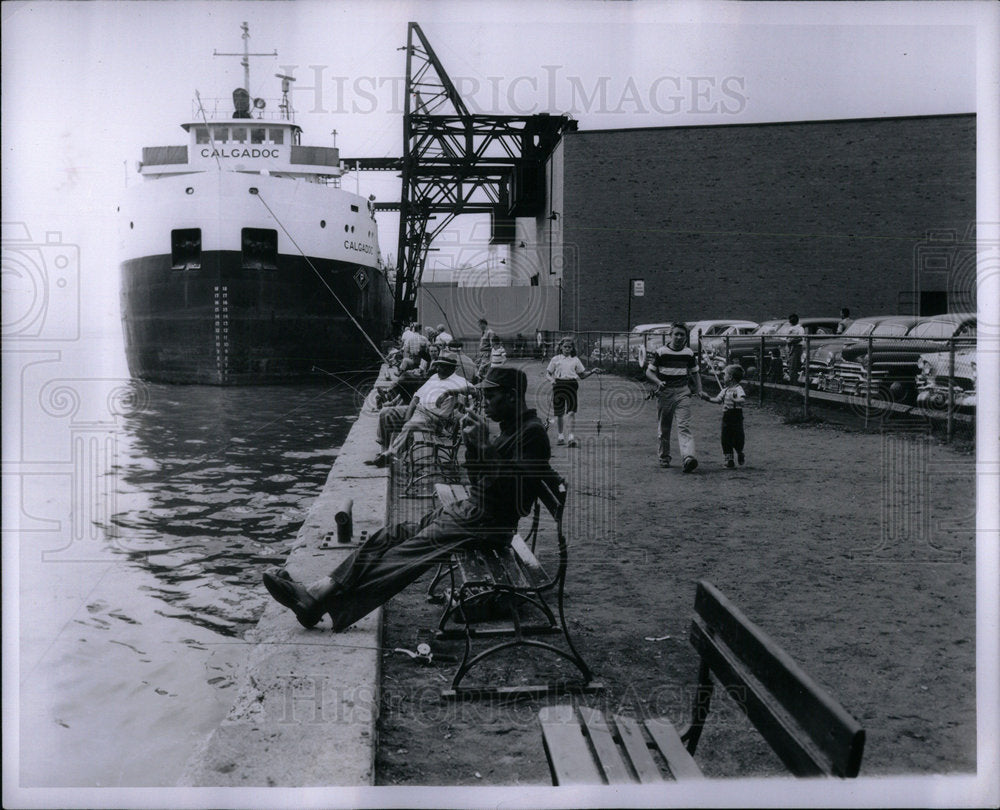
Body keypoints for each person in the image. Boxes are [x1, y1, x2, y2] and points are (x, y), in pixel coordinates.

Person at [262, 366, 556, 632]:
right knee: (389, 536)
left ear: (513, 396)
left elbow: (515, 497)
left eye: (491, 396)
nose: (485, 403)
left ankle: (320, 602)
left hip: (489, 524)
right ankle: (320, 589)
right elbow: (484, 480)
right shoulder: (510, 428)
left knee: (405, 553)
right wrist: (473, 448)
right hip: (472, 511)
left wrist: (484, 447)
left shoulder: (532, 435)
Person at [366, 351, 476, 467]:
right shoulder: (435, 377)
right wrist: (408, 415)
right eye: (438, 365)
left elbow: (475, 391)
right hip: (418, 410)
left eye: (442, 367)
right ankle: (383, 451)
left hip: (434, 419)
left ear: (451, 368)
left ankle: (391, 455)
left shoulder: (459, 381)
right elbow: (416, 396)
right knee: (386, 413)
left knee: (410, 425)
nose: (438, 369)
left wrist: (450, 391)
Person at [644, 322, 702, 472]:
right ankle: (664, 456)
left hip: (683, 392)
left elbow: (695, 373)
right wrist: (658, 381)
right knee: (664, 428)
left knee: (684, 426)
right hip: (665, 393)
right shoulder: (661, 352)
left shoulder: (689, 353)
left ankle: (688, 457)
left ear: (685, 337)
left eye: (682, 334)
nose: (679, 337)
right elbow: (649, 372)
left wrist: (698, 390)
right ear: (670, 335)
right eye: (676, 334)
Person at [545, 337, 600, 447]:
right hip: (558, 385)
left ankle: (571, 438)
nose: (567, 349)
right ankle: (560, 436)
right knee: (559, 413)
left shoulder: (575, 360)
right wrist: (551, 380)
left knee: (571, 412)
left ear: (572, 349)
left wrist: (592, 371)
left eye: (569, 347)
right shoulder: (555, 359)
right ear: (561, 347)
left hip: (571, 385)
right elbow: (548, 373)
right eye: (565, 347)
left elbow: (582, 375)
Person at [700, 364, 747, 468]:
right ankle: (729, 459)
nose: (723, 377)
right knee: (725, 438)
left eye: (724, 375)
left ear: (730, 378)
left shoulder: (738, 389)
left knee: (738, 437)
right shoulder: (724, 390)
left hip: (736, 416)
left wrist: (735, 400)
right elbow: (717, 400)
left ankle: (739, 452)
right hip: (727, 416)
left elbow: (743, 400)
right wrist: (707, 398)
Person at [784, 313, 805, 384]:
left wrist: (792, 341)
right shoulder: (790, 328)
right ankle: (791, 379)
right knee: (789, 363)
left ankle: (793, 381)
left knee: (794, 365)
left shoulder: (800, 328)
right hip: (790, 347)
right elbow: (787, 338)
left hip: (796, 347)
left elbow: (800, 338)